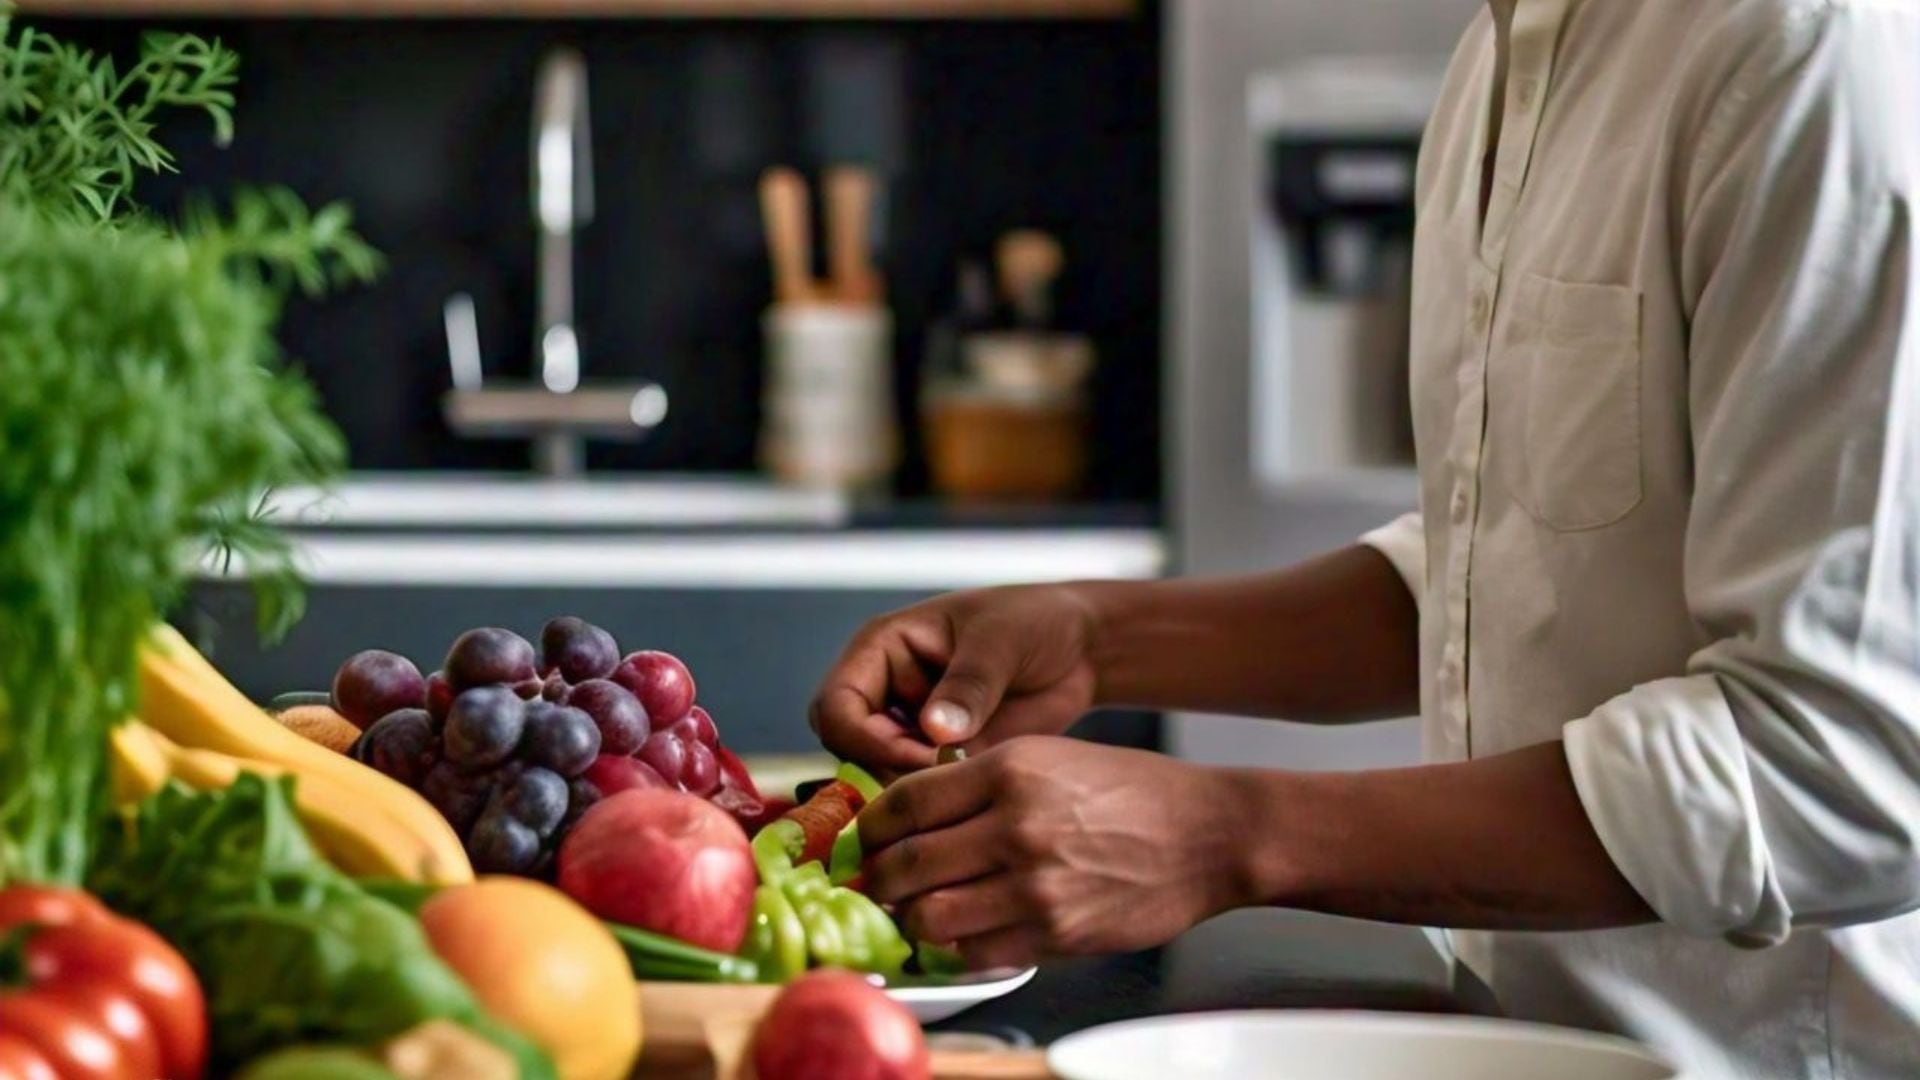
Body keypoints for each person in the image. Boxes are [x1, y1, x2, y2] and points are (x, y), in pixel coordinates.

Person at [808, 2, 1920, 1077]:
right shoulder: (1507, 59)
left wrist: (1229, 833)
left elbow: (1842, 758)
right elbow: (1519, 567)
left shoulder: (1811, 47)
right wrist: (1102, 637)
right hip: (1517, 1040)